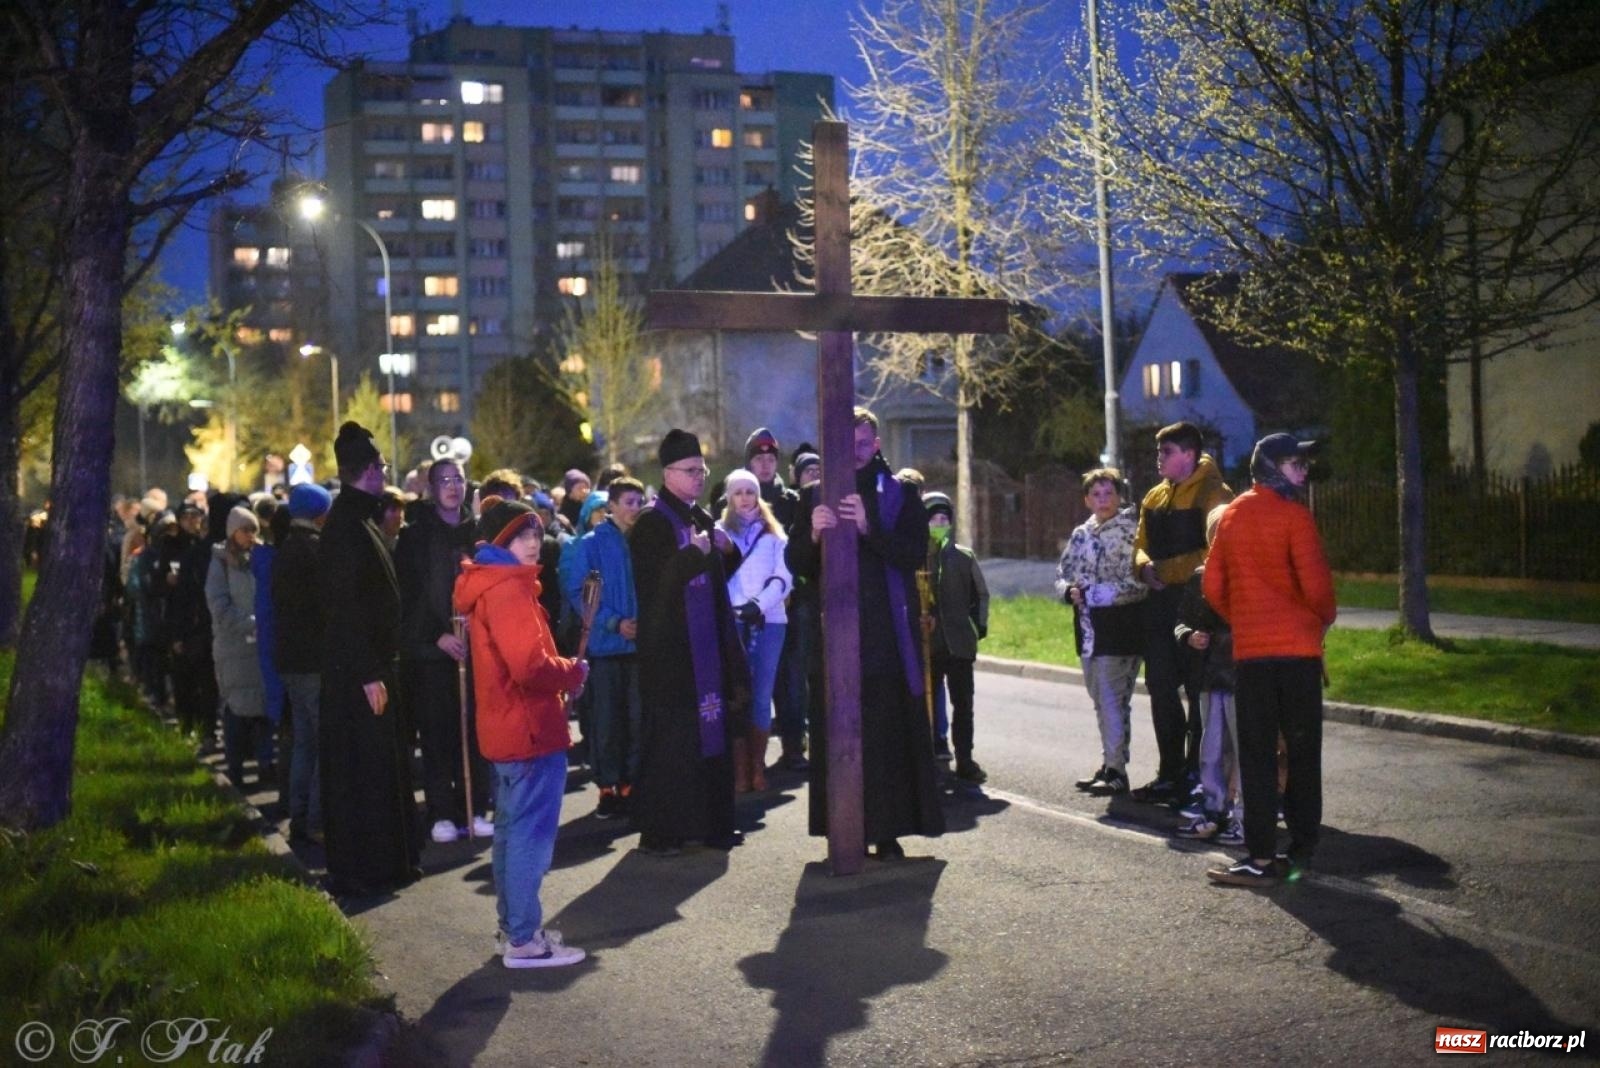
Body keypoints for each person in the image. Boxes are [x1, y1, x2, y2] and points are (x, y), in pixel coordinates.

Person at [789, 408, 945, 860]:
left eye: (862, 444)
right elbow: (797, 565)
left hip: (884, 637)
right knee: (835, 732)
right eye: (846, 444)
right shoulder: (815, 493)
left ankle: (887, 828)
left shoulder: (900, 493)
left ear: (876, 444)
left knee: (883, 734)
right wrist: (813, 537)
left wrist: (867, 529)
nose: (855, 452)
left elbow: (914, 553)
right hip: (833, 635)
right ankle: (841, 828)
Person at [454, 496, 589, 968]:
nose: (535, 543)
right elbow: (530, 665)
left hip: (506, 730)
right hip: (528, 730)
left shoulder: (489, 584)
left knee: (512, 835)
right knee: (529, 839)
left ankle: (515, 929)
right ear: (501, 543)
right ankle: (525, 940)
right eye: (523, 536)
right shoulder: (509, 589)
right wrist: (572, 671)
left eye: (535, 534)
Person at [1204, 434, 1337, 887]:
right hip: (1298, 653)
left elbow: (1214, 588)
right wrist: (1320, 617)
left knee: (1258, 754)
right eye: (1294, 463)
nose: (1302, 471)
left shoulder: (1232, 516)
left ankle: (1260, 856)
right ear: (1272, 467)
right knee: (1302, 751)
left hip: (1253, 655)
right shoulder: (1296, 518)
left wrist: (1244, 617)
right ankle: (1301, 847)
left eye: (1303, 463)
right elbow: (1318, 587)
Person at [629, 429, 752, 855]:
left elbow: (717, 583)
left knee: (710, 738)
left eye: (702, 469)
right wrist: (693, 555)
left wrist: (726, 551)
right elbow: (655, 590)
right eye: (690, 470)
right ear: (667, 474)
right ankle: (665, 831)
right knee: (672, 745)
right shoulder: (650, 523)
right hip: (671, 656)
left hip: (706, 653)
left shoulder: (700, 517)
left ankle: (712, 823)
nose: (700, 477)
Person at [319, 421, 420, 897]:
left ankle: (390, 862)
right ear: (368, 472)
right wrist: (368, 673)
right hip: (361, 675)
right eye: (380, 466)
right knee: (364, 774)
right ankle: (367, 868)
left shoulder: (360, 521)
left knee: (383, 768)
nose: (385, 472)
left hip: (377, 667)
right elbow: (346, 608)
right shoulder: (344, 527)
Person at [1130, 421, 1232, 805]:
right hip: (1158, 605)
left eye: (1166, 452)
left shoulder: (1214, 492)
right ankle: (1168, 771)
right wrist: (1142, 566)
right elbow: (1139, 543)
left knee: (1196, 690)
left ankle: (1196, 776)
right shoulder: (1155, 496)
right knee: (1159, 686)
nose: (1159, 458)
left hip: (1197, 605)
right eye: (1159, 452)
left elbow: (1216, 550)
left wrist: (1167, 571)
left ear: (1188, 454)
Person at [396, 458, 490, 844]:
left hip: (477, 649)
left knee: (477, 731)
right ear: (432, 488)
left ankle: (476, 807)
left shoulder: (480, 533)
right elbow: (408, 595)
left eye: (459, 479)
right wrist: (436, 635)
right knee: (438, 734)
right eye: (444, 480)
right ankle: (441, 812)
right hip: (434, 653)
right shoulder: (415, 537)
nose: (453, 486)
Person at [1057, 469, 1148, 796]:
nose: (1103, 500)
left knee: (1112, 700)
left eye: (1108, 493)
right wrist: (1068, 592)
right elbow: (1062, 574)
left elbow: (1138, 584)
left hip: (1120, 629)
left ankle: (1116, 771)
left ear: (1119, 496)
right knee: (1100, 699)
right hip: (1087, 630)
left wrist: (1095, 594)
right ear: (1086, 499)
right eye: (1096, 495)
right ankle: (1109, 762)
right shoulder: (1081, 534)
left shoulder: (1131, 532)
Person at [562, 478, 644, 818]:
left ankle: (633, 785)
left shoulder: (644, 542)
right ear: (611, 505)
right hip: (606, 647)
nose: (635, 509)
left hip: (639, 647)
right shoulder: (591, 544)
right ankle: (608, 788)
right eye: (628, 501)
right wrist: (613, 622)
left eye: (639, 501)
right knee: (607, 723)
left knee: (638, 721)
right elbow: (581, 592)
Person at [1173, 505, 1244, 845]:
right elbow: (1181, 620)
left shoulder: (1249, 575)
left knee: (1244, 749)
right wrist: (1189, 635)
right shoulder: (1200, 576)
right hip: (1207, 677)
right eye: (1217, 532)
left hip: (1241, 674)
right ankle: (1213, 808)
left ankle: (1243, 816)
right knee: (1211, 748)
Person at [719, 468, 792, 793]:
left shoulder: (775, 536)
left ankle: (756, 767)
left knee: (762, 697)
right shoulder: (720, 533)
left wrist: (758, 605)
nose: (745, 497)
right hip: (732, 622)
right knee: (736, 697)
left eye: (750, 491)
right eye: (738, 492)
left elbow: (783, 577)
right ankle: (737, 771)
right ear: (729, 497)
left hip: (770, 621)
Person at [273, 482, 332, 846]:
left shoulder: (285, 550)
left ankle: (298, 815)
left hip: (291, 660)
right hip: (314, 660)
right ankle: (316, 820)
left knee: (304, 743)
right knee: (322, 742)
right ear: (319, 513)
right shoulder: (314, 551)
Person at [922, 492, 991, 785]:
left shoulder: (963, 557)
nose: (939, 523)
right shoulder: (916, 556)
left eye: (944, 518)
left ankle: (965, 758)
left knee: (963, 704)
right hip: (929, 647)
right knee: (927, 703)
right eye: (933, 518)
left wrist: (977, 627)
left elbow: (981, 594)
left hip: (960, 644)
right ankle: (929, 756)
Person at [206, 506, 272, 787]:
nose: (251, 536)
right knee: (237, 709)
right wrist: (250, 623)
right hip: (234, 648)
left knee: (263, 709)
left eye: (254, 530)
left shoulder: (259, 558)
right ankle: (235, 769)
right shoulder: (220, 562)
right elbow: (219, 606)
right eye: (246, 530)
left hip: (259, 647)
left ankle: (266, 766)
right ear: (233, 531)